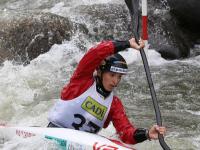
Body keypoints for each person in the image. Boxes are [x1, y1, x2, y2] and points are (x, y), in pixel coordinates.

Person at [47, 38, 166, 144]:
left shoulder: (114, 104)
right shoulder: (81, 81)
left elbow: (125, 133)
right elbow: (96, 53)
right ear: (100, 72)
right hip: (54, 132)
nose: (115, 81)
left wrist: (146, 134)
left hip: (82, 145)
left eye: (119, 77)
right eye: (112, 75)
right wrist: (126, 44)